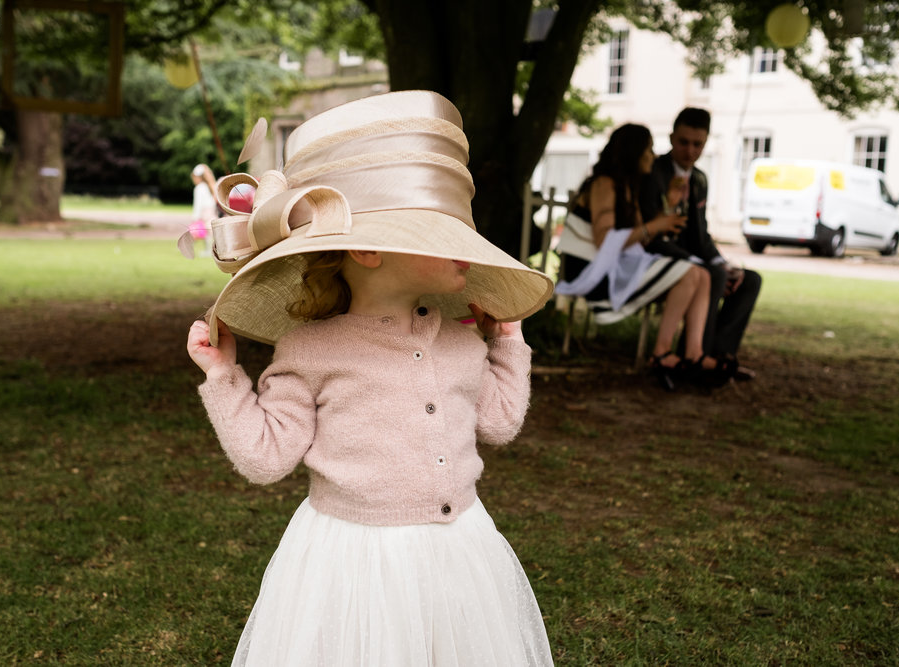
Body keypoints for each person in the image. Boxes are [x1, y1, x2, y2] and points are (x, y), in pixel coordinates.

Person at [184, 91, 555, 666]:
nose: (466, 250)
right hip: (354, 562)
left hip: (460, 552)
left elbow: (500, 423)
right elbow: (265, 457)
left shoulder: (461, 337)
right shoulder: (310, 348)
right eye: (441, 234)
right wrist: (224, 375)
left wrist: (508, 340)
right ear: (366, 250)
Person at [555, 123, 722, 389]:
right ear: (634, 154)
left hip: (615, 264)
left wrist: (668, 202)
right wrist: (655, 226)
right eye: (648, 150)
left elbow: (640, 237)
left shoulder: (628, 187)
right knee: (690, 274)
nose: (653, 157)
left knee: (703, 274)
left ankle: (694, 353)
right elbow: (605, 239)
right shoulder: (604, 184)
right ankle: (662, 353)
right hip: (592, 271)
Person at [639, 107, 762, 380]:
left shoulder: (700, 179)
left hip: (693, 259)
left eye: (698, 144)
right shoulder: (652, 173)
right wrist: (703, 263)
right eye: (684, 142)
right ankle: (694, 358)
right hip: (660, 258)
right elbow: (651, 234)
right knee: (711, 272)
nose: (690, 151)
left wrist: (723, 262)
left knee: (748, 280)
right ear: (672, 138)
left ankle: (718, 357)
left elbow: (701, 235)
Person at [189, 163, 217, 256]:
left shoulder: (199, 188)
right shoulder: (209, 186)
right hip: (211, 210)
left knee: (204, 231)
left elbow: (198, 204)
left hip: (204, 212)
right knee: (209, 231)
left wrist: (195, 217)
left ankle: (207, 251)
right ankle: (209, 250)